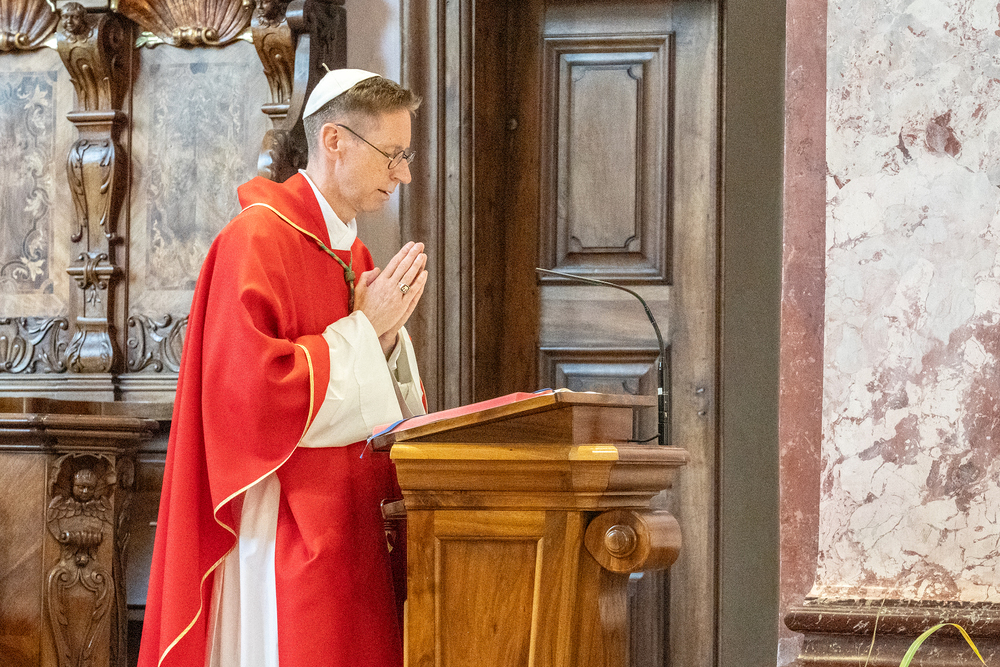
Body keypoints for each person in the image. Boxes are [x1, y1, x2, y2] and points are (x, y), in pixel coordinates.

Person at [138, 69, 428, 667]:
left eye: (406, 155)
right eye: (392, 155)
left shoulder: (353, 253)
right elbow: (253, 399)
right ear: (334, 140)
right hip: (279, 524)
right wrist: (365, 331)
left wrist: (383, 339)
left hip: (352, 519)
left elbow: (375, 389)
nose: (403, 174)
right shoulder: (256, 241)